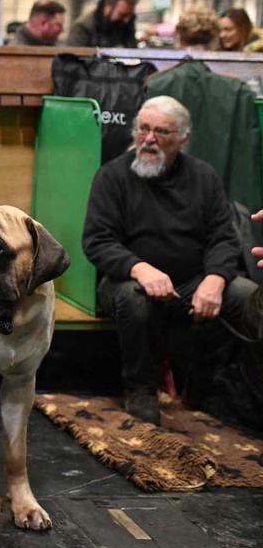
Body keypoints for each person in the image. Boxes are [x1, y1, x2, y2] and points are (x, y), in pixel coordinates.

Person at [82, 95, 259, 424]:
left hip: (194, 281)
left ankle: (238, 391)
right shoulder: (112, 177)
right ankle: (141, 390)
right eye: (143, 129)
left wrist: (215, 279)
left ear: (183, 138)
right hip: (129, 282)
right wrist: (140, 268)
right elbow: (97, 241)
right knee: (134, 299)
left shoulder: (204, 177)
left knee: (249, 297)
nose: (149, 139)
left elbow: (224, 236)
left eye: (161, 132)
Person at [66, 0, 141, 47]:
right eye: (122, 15)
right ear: (108, 7)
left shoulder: (126, 27)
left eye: (129, 15)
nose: (126, 20)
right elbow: (71, 61)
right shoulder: (82, 27)